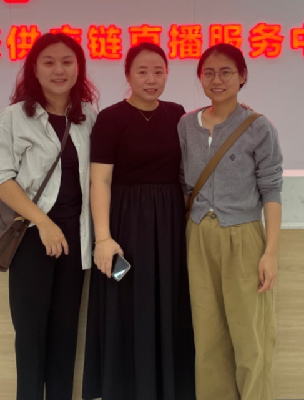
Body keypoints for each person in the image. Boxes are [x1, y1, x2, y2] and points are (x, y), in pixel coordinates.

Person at [0, 30, 97, 400]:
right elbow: (0, 178)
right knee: (31, 335)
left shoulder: (87, 117)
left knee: (65, 335)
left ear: (79, 68)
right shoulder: (13, 118)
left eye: (67, 62)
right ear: (34, 69)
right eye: (48, 62)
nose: (58, 70)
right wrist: (44, 223)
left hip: (75, 238)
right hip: (32, 237)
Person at [84, 42, 195, 400]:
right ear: (128, 75)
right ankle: (125, 388)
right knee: (126, 298)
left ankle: (167, 388)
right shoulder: (111, 118)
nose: (151, 79)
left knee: (168, 300)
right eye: (142, 72)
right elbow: (100, 181)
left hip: (169, 226)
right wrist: (103, 238)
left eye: (158, 72)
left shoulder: (178, 114)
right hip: (125, 225)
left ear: (167, 74)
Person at [179, 44, 282, 400]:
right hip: (197, 235)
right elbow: (182, 182)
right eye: (208, 72)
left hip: (243, 236)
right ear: (200, 78)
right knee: (207, 337)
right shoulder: (186, 125)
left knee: (250, 336)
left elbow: (271, 190)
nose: (217, 79)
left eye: (226, 72)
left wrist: (270, 252)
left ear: (242, 77)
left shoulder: (259, 127)